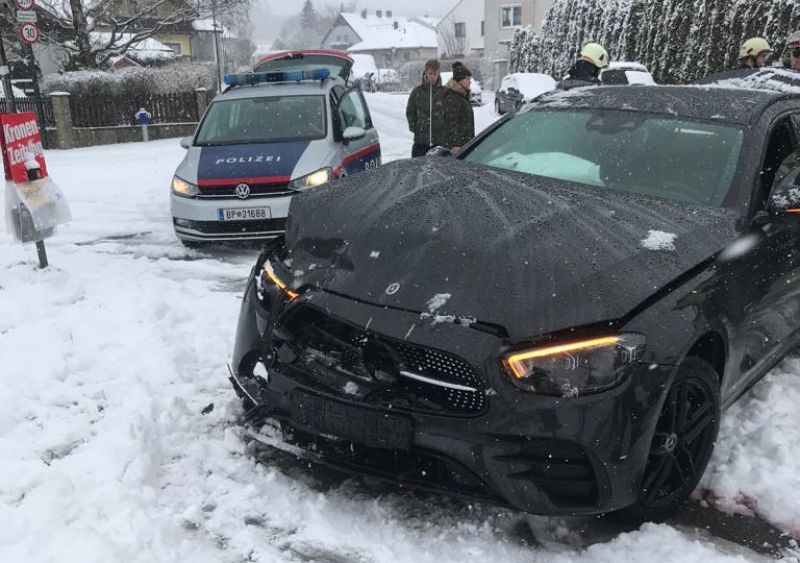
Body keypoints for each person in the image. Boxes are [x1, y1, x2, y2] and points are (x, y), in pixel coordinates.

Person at [406, 59, 447, 157]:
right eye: (430, 73)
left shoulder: (444, 92)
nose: (432, 77)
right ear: (426, 72)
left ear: (438, 74)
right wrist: (416, 128)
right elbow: (410, 112)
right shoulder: (417, 92)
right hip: (421, 143)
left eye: (435, 74)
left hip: (440, 143)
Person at [442, 62, 475, 155]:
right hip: (458, 148)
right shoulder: (453, 97)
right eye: (467, 79)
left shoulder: (462, 96)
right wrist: (455, 144)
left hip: (465, 144)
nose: (470, 81)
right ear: (460, 80)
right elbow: (450, 122)